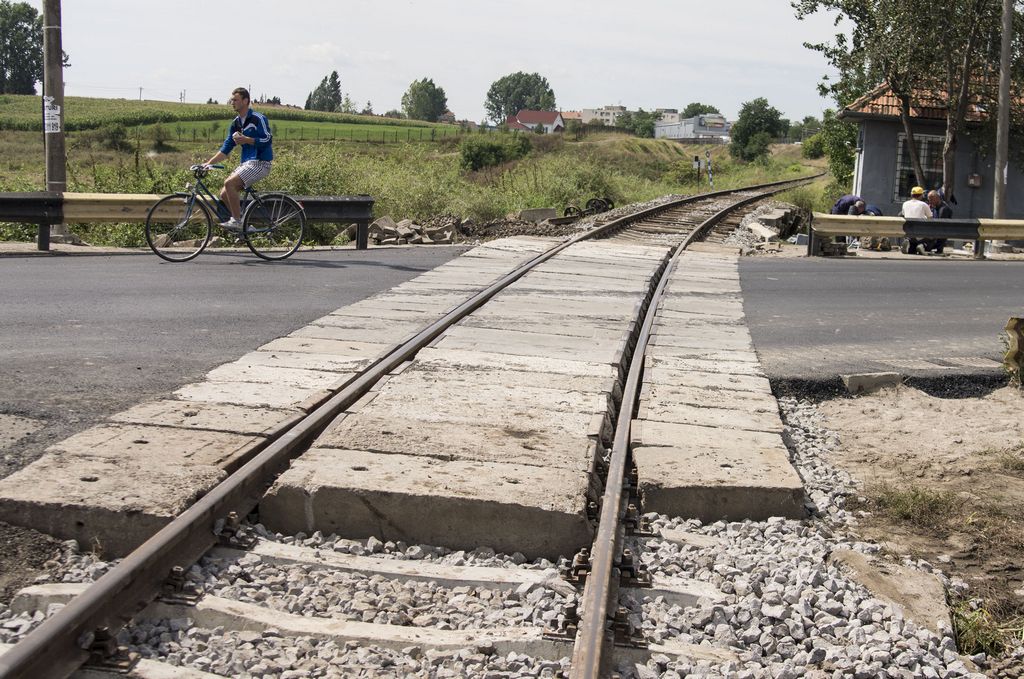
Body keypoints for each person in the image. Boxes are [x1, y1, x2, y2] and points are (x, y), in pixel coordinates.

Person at [204, 87, 273, 230]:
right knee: (224, 193)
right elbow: (226, 149)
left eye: (235, 99)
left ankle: (237, 221)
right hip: (247, 163)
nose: (232, 102)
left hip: (261, 162)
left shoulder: (258, 118)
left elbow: (268, 139)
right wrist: (208, 164)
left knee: (229, 183)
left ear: (245, 101)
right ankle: (244, 226)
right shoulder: (236, 123)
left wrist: (248, 140)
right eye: (232, 100)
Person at [899, 186, 931, 254]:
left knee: (912, 251)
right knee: (934, 236)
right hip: (920, 233)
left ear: (911, 194)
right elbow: (930, 218)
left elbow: (903, 215)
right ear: (921, 195)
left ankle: (910, 244)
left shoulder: (905, 204)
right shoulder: (924, 204)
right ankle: (923, 245)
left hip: (908, 232)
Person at [926, 189, 953, 254]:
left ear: (937, 198)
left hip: (940, 235)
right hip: (935, 233)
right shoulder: (935, 207)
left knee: (926, 247)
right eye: (929, 200)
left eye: (931, 200)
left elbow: (941, 225)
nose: (930, 202)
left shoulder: (943, 209)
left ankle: (938, 248)